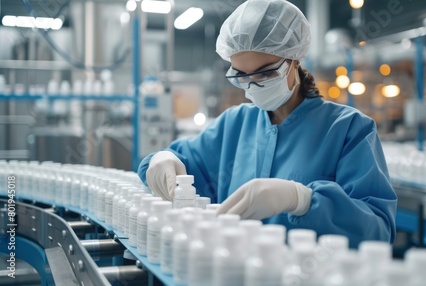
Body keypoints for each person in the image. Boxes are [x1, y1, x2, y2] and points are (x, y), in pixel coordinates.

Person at [138, 0, 397, 247]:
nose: (252, 84)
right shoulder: (234, 124)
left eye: (265, 72)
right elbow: (180, 163)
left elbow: (378, 230)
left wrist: (303, 200)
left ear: (294, 60)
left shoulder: (347, 129)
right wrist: (161, 159)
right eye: (240, 75)